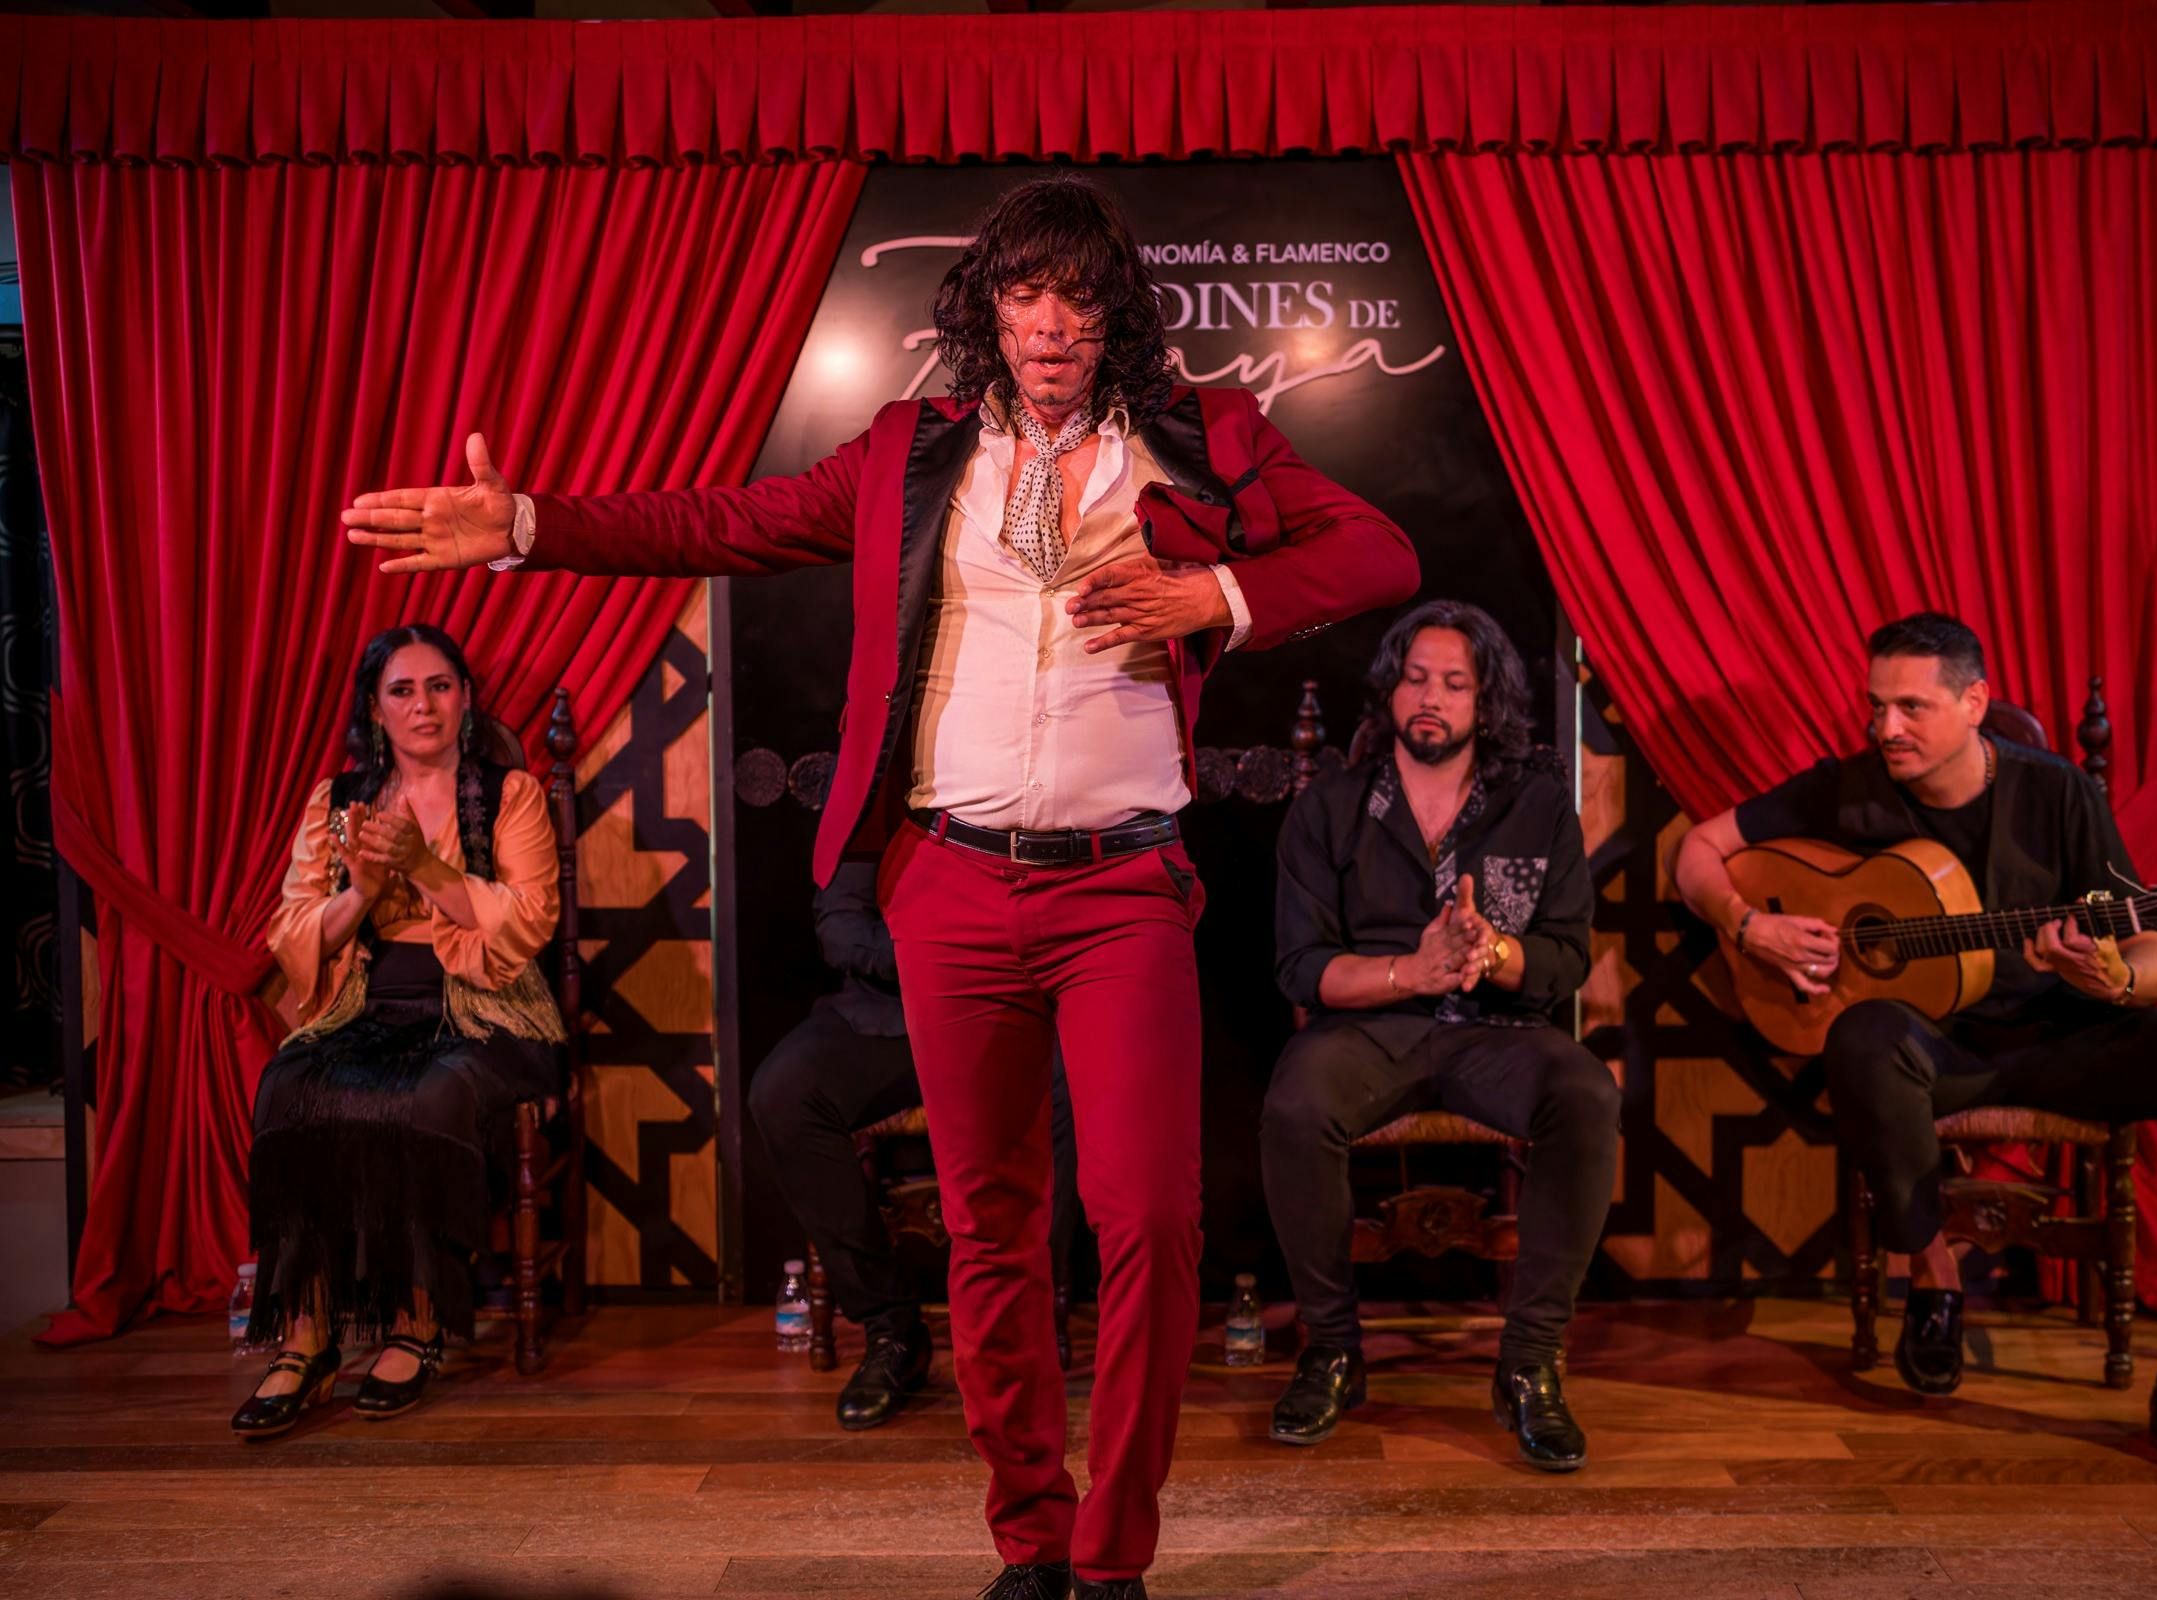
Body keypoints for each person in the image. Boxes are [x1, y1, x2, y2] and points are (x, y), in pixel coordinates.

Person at [341, 175, 1417, 1596]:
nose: (1050, 324)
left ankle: (1114, 1561)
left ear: (1114, 319)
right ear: (985, 310)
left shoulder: (1203, 441)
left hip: (1123, 893)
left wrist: (1212, 599)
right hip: (950, 884)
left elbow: (1380, 551)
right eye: (1025, 295)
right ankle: (1030, 1540)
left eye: (1079, 299)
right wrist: (533, 524)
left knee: (1150, 1217)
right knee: (987, 1226)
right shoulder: (912, 455)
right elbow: (718, 522)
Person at [1671, 611, 2157, 1496]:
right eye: (1876, 706)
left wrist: (2112, 977)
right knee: (1861, 1033)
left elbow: (2153, 953)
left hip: (2063, 1041)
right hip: (1932, 1051)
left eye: (1912, 708)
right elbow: (1697, 851)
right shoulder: (1847, 789)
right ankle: (1935, 1281)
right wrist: (1751, 924)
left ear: (1975, 703)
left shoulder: (2059, 796)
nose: (1886, 728)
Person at [1265, 600, 1611, 1472]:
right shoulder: (1331, 809)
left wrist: (1490, 951)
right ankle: (1333, 1350)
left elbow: (1566, 959)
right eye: (1416, 679)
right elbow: (1301, 968)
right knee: (1296, 1106)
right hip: (1371, 1028)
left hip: (1495, 1030)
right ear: (1390, 691)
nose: (1432, 697)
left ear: (1485, 703)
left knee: (1585, 1093)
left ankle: (1530, 1365)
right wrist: (1406, 975)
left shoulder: (1537, 806)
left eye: (1455, 684)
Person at [237, 624, 565, 1438]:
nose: (425, 706)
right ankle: (306, 1337)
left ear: (466, 697)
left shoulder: (509, 794)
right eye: (403, 691)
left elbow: (529, 924)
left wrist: (425, 867)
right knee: (289, 1085)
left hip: (483, 1005)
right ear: (375, 711)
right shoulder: (338, 801)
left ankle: (416, 1324)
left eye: (441, 686)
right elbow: (294, 929)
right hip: (368, 1001)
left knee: (429, 1095)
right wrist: (364, 891)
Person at [747, 859, 1083, 1429]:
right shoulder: (880, 778)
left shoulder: (1021, 770)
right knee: (783, 1093)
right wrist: (947, 956)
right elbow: (843, 929)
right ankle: (892, 1328)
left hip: (1010, 1004)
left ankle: (1025, 1328)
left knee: (1063, 1079)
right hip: (891, 1011)